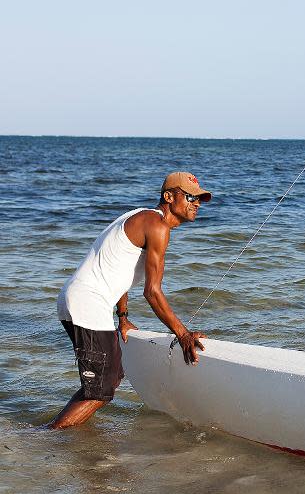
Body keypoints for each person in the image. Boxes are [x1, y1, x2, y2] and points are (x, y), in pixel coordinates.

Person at [50, 172, 212, 429]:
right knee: (101, 390)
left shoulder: (142, 217)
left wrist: (123, 318)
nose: (197, 203)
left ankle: (59, 434)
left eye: (200, 199)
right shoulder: (157, 226)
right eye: (190, 197)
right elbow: (152, 292)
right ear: (169, 197)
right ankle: (46, 437)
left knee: (109, 379)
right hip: (88, 303)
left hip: (80, 300)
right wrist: (183, 334)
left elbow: (118, 268)